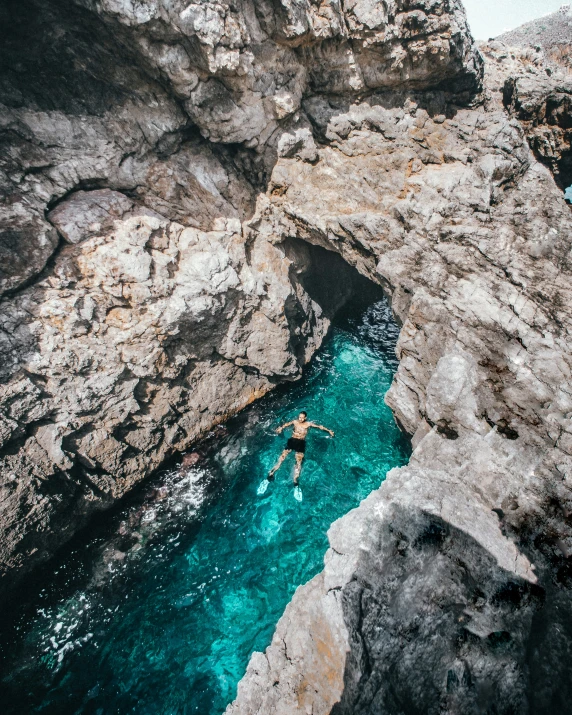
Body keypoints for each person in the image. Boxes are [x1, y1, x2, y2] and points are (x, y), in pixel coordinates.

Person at [268, 411, 334, 486]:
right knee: (282, 457)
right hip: (292, 440)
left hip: (301, 443)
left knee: (298, 461)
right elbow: (286, 424)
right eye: (299, 417)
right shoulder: (295, 422)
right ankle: (272, 472)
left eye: (302, 418)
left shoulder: (308, 424)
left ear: (305, 418)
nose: (300, 419)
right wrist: (280, 428)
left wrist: (329, 431)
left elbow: (319, 427)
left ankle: (295, 480)